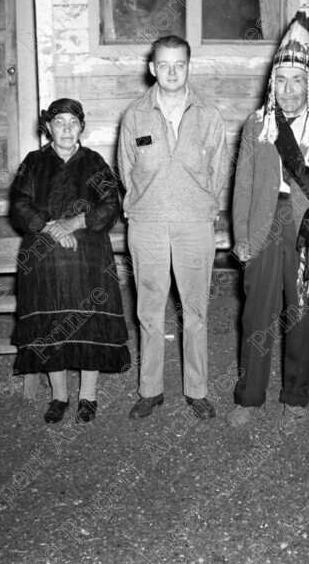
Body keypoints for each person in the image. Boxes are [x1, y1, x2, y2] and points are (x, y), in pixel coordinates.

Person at [226, 11, 309, 428]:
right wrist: (242, 236)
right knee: (256, 315)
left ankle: (296, 395)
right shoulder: (257, 125)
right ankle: (249, 397)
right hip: (265, 225)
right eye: (280, 80)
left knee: (302, 316)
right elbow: (243, 184)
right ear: (272, 83)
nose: (288, 90)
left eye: (296, 80)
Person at [118, 35, 227, 420]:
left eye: (179, 64)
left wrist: (201, 208)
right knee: (149, 311)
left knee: (195, 310)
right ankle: (150, 390)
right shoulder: (135, 115)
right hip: (147, 223)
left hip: (194, 223)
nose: (172, 72)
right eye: (164, 65)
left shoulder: (209, 115)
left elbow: (218, 173)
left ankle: (196, 390)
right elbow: (126, 171)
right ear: (152, 68)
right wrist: (145, 206)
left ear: (188, 67)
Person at [11, 98, 130, 425]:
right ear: (48, 127)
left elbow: (110, 206)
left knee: (87, 318)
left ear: (82, 128)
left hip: (88, 253)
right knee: (51, 321)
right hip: (44, 253)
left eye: (73, 123)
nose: (66, 129)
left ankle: (88, 396)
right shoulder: (33, 162)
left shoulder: (94, 162)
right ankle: (59, 395)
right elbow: (19, 204)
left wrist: (75, 223)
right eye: (59, 122)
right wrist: (50, 228)